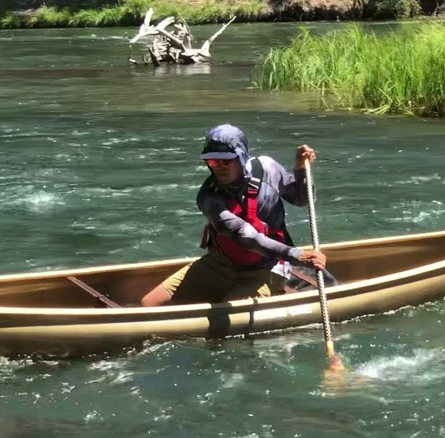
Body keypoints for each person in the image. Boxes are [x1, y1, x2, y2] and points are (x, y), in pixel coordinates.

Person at [140, 124, 328, 307]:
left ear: (241, 157)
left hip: (267, 268)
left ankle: (273, 290)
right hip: (220, 265)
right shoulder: (208, 196)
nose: (220, 167)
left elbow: (302, 199)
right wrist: (295, 254)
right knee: (149, 303)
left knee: (224, 316)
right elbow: (244, 236)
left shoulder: (267, 170)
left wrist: (301, 170)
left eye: (227, 161)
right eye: (213, 161)